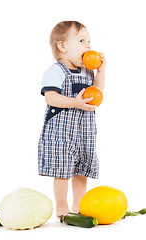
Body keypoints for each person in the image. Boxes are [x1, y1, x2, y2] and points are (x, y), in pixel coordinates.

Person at [38, 21, 106, 217]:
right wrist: (74, 102)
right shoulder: (57, 70)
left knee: (81, 169)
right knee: (62, 170)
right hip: (61, 132)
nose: (88, 46)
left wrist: (101, 71)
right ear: (63, 46)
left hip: (84, 131)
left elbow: (98, 91)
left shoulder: (88, 71)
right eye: (82, 41)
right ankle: (61, 207)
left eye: (89, 42)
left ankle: (78, 205)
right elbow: (50, 97)